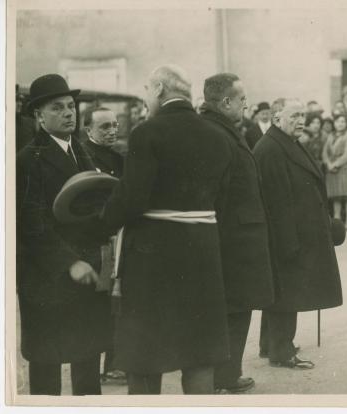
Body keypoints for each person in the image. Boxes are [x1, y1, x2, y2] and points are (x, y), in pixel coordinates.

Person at [100, 64, 232, 394]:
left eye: (147, 89)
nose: (146, 97)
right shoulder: (218, 136)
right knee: (199, 354)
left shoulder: (148, 132)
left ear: (159, 89)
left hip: (153, 258)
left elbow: (131, 199)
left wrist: (96, 226)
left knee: (145, 357)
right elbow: (224, 198)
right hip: (203, 254)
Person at [16, 74, 111, 395]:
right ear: (38, 116)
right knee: (47, 364)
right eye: (58, 108)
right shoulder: (28, 159)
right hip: (46, 278)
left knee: (87, 358)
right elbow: (31, 223)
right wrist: (68, 262)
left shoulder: (82, 152)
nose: (69, 113)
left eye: (71, 106)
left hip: (86, 271)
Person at [200, 73, 275, 393]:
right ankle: (224, 376)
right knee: (233, 308)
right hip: (232, 237)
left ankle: (228, 373)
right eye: (241, 98)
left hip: (237, 235)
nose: (246, 103)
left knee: (237, 307)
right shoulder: (214, 131)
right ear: (225, 101)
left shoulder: (223, 127)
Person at [253, 100, 343, 370]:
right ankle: (281, 351)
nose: (300, 120)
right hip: (287, 235)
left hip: (297, 232)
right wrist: (287, 242)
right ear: (278, 119)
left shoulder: (285, 142)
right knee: (286, 292)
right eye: (294, 116)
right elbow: (276, 200)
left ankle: (271, 344)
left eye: (303, 115)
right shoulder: (271, 148)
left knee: (281, 292)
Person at [80, 106, 126, 385]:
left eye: (114, 125)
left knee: (115, 299)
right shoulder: (85, 156)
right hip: (95, 235)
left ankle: (113, 362)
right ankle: (96, 364)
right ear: (88, 130)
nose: (111, 131)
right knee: (100, 299)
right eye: (104, 127)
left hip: (116, 232)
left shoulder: (119, 158)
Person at [322, 114, 347, 229]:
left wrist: (336, 164)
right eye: (337, 122)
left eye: (342, 121)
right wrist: (329, 164)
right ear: (334, 124)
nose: (340, 124)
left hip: (345, 168)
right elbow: (324, 152)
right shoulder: (330, 136)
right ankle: (337, 221)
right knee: (336, 195)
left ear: (346, 124)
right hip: (332, 168)